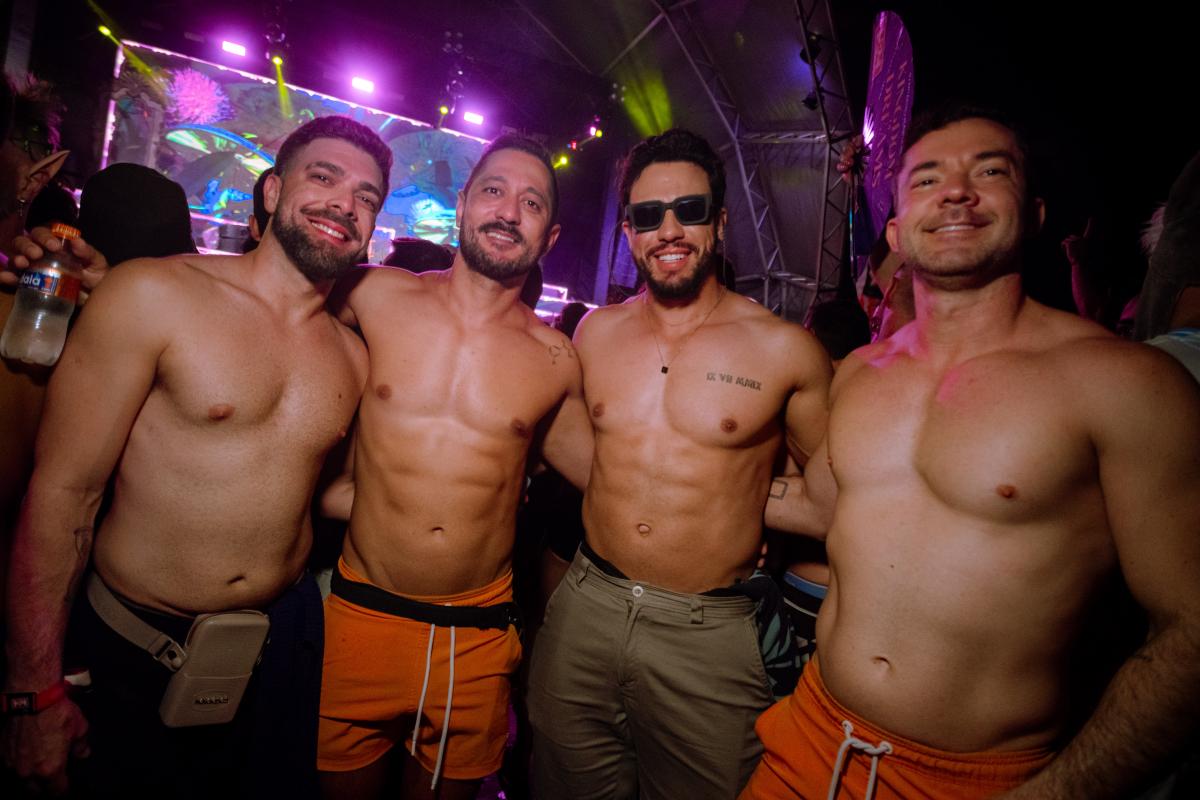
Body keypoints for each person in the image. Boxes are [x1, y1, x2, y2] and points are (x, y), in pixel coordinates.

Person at [741, 105, 1200, 800]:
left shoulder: (1125, 385)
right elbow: (826, 511)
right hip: (806, 739)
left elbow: (1190, 629)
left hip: (978, 782)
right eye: (927, 179)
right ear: (896, 228)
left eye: (989, 171)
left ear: (1035, 212)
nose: (956, 191)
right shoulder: (860, 374)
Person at [2, 114, 391, 798]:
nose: (344, 204)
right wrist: (34, 688)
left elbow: (327, 490)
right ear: (272, 191)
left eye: (366, 196)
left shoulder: (353, 356)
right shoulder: (154, 295)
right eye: (324, 178)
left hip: (278, 652)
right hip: (133, 649)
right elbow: (64, 492)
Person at [526, 128, 833, 799]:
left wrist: (736, 493)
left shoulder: (785, 350)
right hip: (586, 607)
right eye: (648, 216)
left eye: (689, 210)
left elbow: (832, 501)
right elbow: (579, 449)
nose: (669, 231)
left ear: (719, 224)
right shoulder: (595, 332)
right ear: (629, 234)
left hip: (708, 634)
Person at [316, 133, 591, 800]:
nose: (508, 212)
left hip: (473, 635)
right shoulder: (375, 295)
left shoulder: (556, 358)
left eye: (531, 203)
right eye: (493, 191)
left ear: (550, 236)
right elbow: (267, 309)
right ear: (463, 203)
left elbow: (613, 474)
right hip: (360, 615)